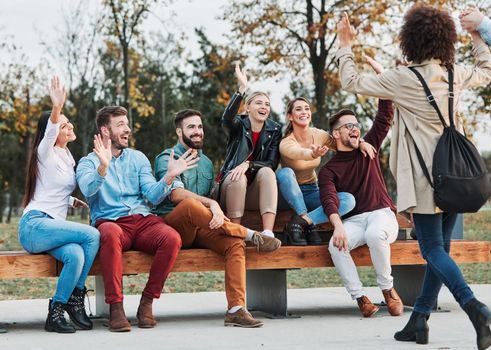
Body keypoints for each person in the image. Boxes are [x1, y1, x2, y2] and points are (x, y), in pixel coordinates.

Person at [335, 6, 491, 348]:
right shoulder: (454, 73)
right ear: (444, 40)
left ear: (410, 41)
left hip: (424, 182)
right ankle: (418, 320)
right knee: (442, 249)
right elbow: (487, 70)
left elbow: (352, 81)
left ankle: (475, 307)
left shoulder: (402, 78)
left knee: (433, 250)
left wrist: (345, 45)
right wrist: (478, 35)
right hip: (456, 176)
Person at [153, 109, 281, 328]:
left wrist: (216, 203)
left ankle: (236, 309)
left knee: (235, 244)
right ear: (178, 131)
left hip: (201, 228)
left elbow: (211, 194)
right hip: (174, 227)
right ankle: (251, 234)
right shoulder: (168, 157)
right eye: (191, 127)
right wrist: (212, 204)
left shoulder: (206, 163)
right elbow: (175, 195)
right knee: (190, 205)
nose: (197, 131)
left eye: (200, 127)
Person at [76, 106, 192, 332]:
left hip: (142, 220)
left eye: (127, 124)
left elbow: (152, 195)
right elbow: (87, 190)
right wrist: (103, 166)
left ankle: (146, 303)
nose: (127, 129)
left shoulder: (138, 158)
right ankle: (116, 308)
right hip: (111, 222)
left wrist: (168, 177)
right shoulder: (88, 162)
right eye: (120, 125)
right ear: (105, 130)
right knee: (108, 234)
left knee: (171, 239)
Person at [18, 76, 100, 333]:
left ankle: (56, 311)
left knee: (75, 254)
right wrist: (56, 107)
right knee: (92, 235)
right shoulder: (45, 151)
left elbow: (53, 187)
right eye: (65, 125)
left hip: (51, 226)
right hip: (34, 226)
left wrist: (69, 199)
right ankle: (77, 299)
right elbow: (51, 128)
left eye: (68, 123)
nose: (69, 126)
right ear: (53, 132)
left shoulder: (67, 155)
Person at [318, 95, 403, 318]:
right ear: (336, 134)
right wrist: (338, 226)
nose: (355, 129)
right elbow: (329, 200)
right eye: (349, 126)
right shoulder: (328, 170)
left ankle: (388, 290)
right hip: (353, 221)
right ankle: (360, 298)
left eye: (356, 125)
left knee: (375, 234)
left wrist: (381, 81)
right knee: (335, 246)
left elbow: (384, 116)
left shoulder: (369, 147)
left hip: (381, 215)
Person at [277, 97, 376, 245]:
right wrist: (313, 154)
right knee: (284, 173)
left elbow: (342, 142)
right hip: (287, 195)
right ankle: (305, 223)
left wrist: (361, 142)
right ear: (290, 116)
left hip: (311, 191)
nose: (304, 112)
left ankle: (302, 222)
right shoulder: (286, 142)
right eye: (298, 109)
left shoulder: (319, 135)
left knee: (348, 200)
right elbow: (297, 153)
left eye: (307, 108)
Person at [218, 63, 282, 236]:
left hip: (253, 193)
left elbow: (271, 162)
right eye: (259, 103)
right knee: (238, 178)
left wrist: (248, 164)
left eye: (267, 104)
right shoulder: (238, 125)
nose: (264, 107)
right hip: (230, 188)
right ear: (247, 108)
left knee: (268, 172)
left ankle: (268, 232)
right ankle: (236, 232)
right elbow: (226, 119)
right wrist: (242, 89)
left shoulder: (274, 130)